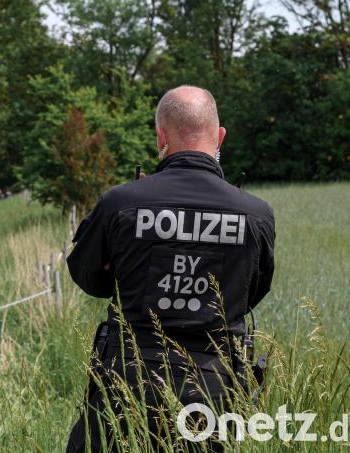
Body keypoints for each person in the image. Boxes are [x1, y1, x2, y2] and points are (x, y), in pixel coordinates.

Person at [65, 85, 276, 452]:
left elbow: (88, 278)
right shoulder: (255, 214)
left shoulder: (119, 203)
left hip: (127, 381)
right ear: (219, 136)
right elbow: (252, 292)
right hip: (215, 386)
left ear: (161, 136)